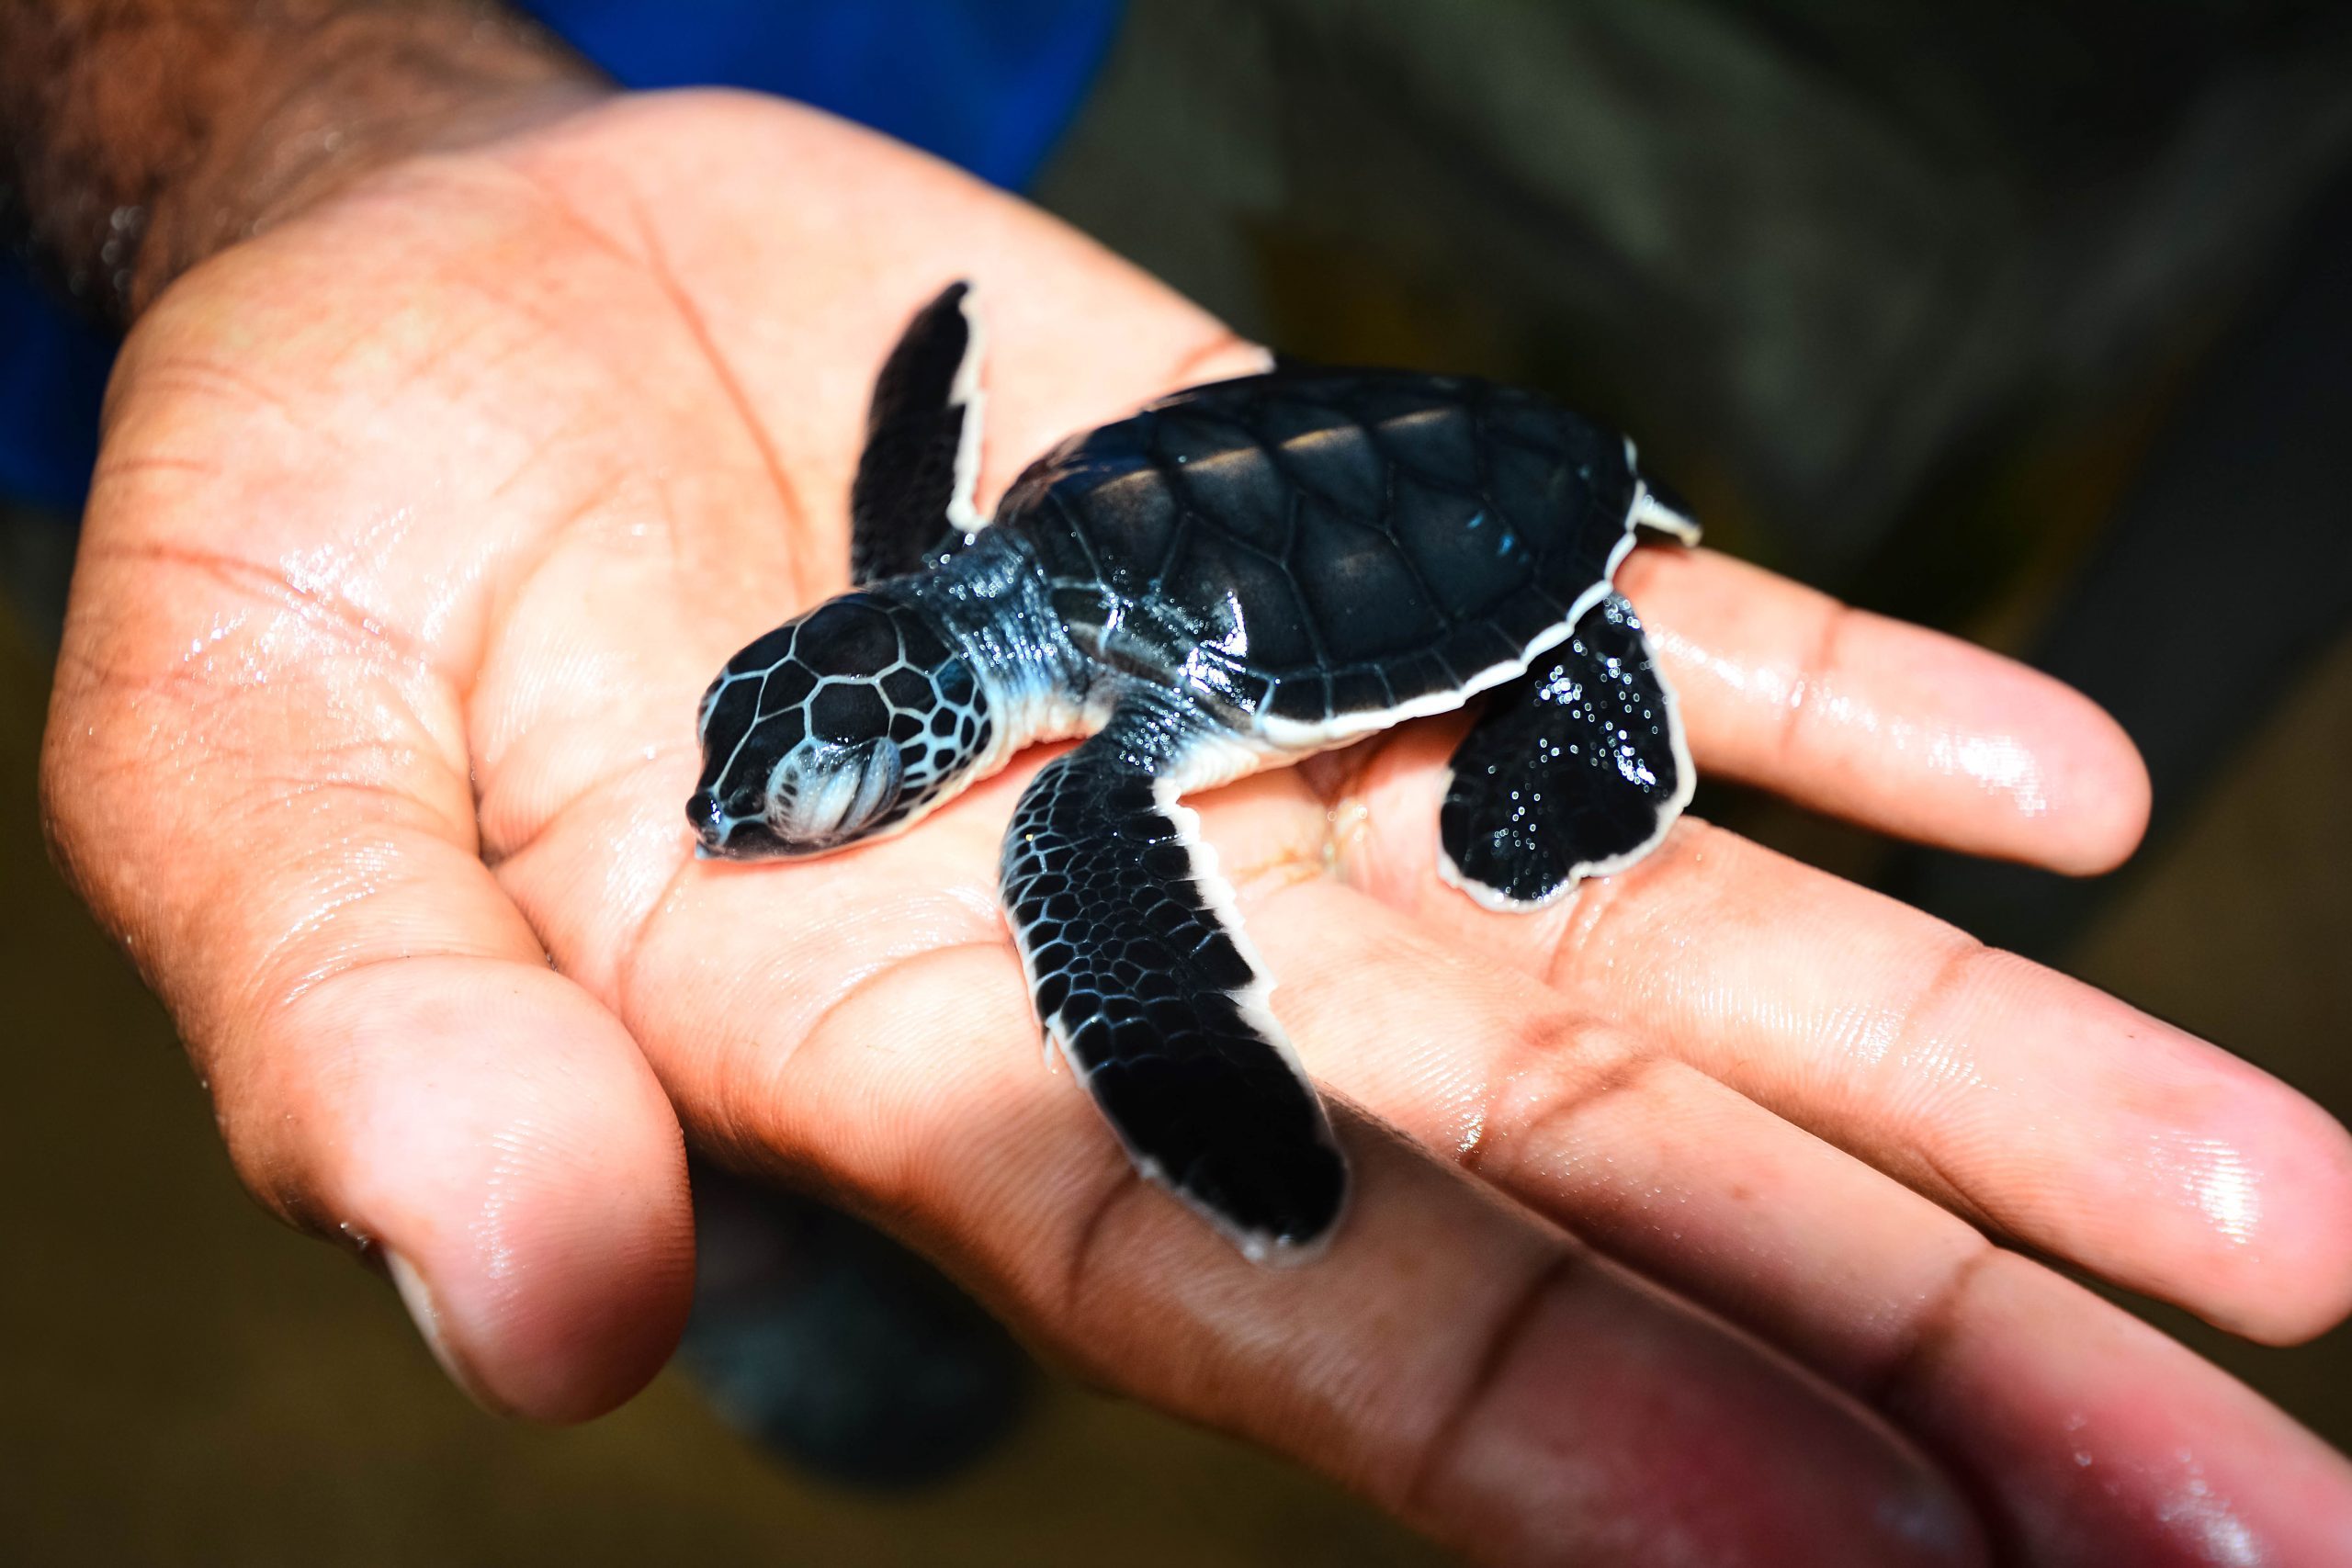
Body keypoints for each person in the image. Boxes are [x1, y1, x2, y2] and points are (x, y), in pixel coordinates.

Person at [10, 5, 2352, 1563]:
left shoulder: (1074, 766)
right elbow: (915, 475)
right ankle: (781, 1250)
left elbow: (1005, 640)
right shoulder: (964, 571)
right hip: (1197, 375)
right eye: (789, 763)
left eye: (816, 779)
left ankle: (1584, 686)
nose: (763, 805)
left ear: (923, 679)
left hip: (1495, 499)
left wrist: (1196, 1091)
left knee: (1336, 826)